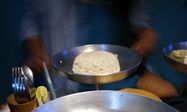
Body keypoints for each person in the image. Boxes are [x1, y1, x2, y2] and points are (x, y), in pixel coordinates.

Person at [20, 0, 178, 98]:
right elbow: (31, 23)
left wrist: (146, 36)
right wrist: (36, 51)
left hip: (119, 70)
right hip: (68, 78)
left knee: (170, 92)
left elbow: (140, 19)